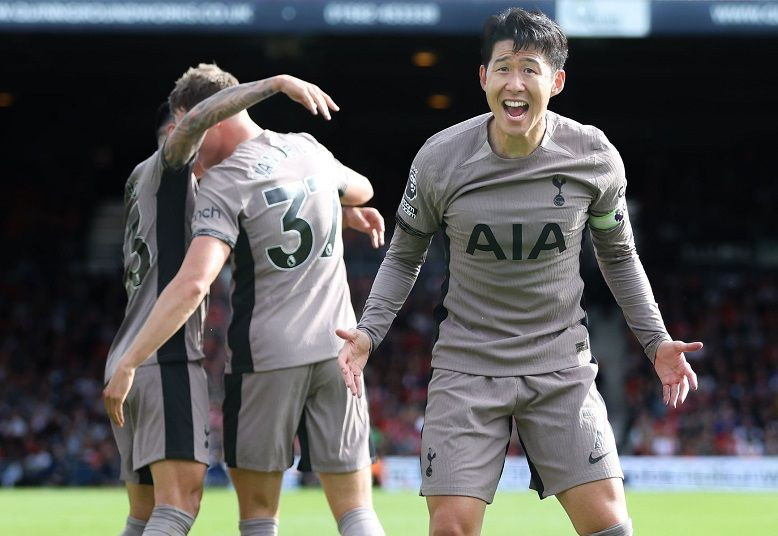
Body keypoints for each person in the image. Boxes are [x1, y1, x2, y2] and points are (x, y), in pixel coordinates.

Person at [336, 8, 702, 536]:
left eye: (530, 68)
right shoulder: (441, 159)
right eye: (503, 67)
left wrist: (656, 341)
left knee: (610, 526)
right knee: (451, 529)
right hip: (467, 366)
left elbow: (618, 255)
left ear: (556, 81)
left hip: (560, 363)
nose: (515, 83)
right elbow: (403, 253)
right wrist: (369, 332)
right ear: (483, 77)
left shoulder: (592, 155)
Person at [103, 63, 387, 536]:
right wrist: (334, 205)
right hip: (339, 351)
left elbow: (197, 280)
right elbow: (363, 187)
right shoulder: (306, 147)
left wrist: (129, 361)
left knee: (225, 514)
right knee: (357, 513)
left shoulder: (208, 181)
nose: (192, 158)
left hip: (256, 357)